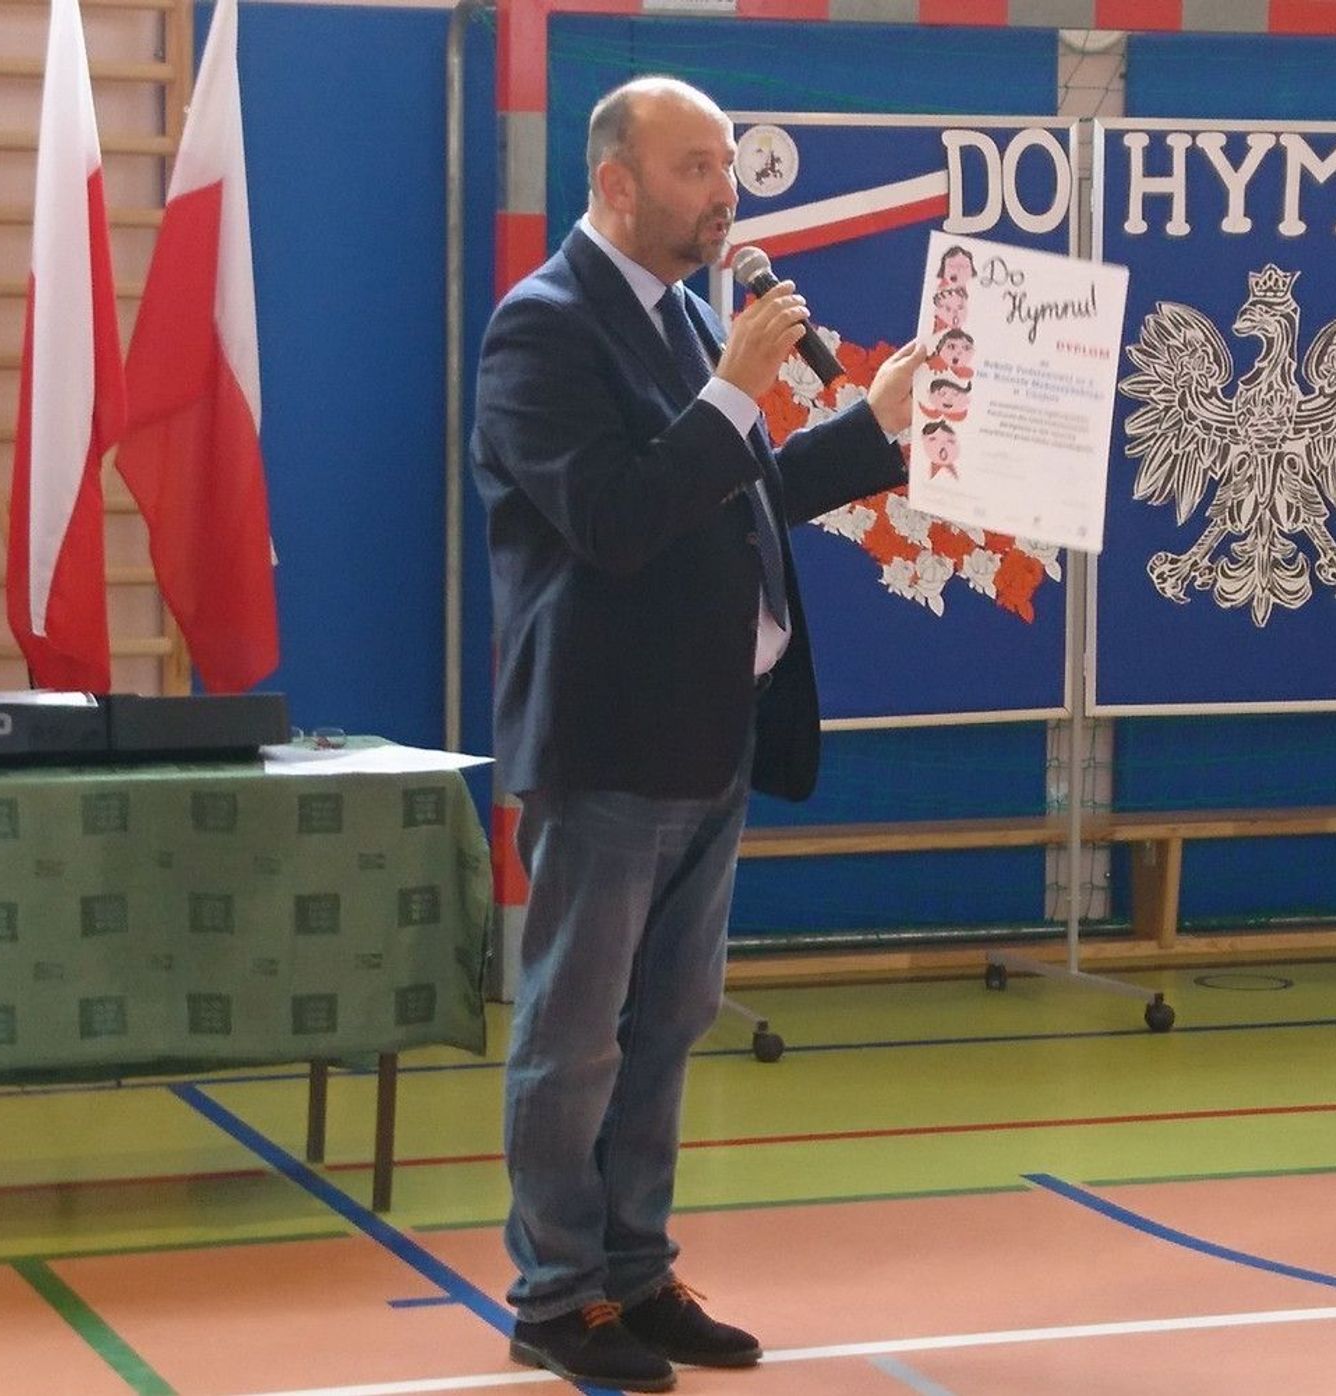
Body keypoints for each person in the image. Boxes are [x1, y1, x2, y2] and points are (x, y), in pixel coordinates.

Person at [470, 75, 924, 1393]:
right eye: (696, 169)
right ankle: (557, 1299)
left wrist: (874, 424)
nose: (727, 193)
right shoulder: (543, 329)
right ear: (616, 182)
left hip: (706, 731)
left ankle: (636, 1272)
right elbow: (614, 519)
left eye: (728, 167)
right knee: (575, 1037)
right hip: (609, 743)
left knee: (670, 1021)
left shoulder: (680, 315)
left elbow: (741, 494)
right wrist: (733, 388)